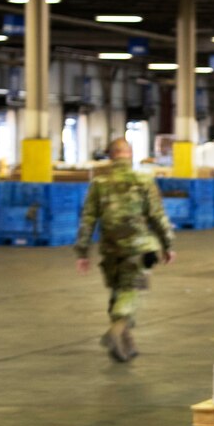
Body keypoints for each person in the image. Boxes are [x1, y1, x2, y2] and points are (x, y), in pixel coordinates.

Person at [73, 138, 176, 360]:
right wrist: (168, 245)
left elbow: (88, 219)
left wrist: (82, 252)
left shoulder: (99, 184)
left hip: (110, 250)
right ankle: (118, 327)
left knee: (117, 291)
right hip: (138, 248)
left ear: (110, 157)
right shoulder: (143, 180)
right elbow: (157, 217)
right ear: (130, 155)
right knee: (130, 291)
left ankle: (126, 345)